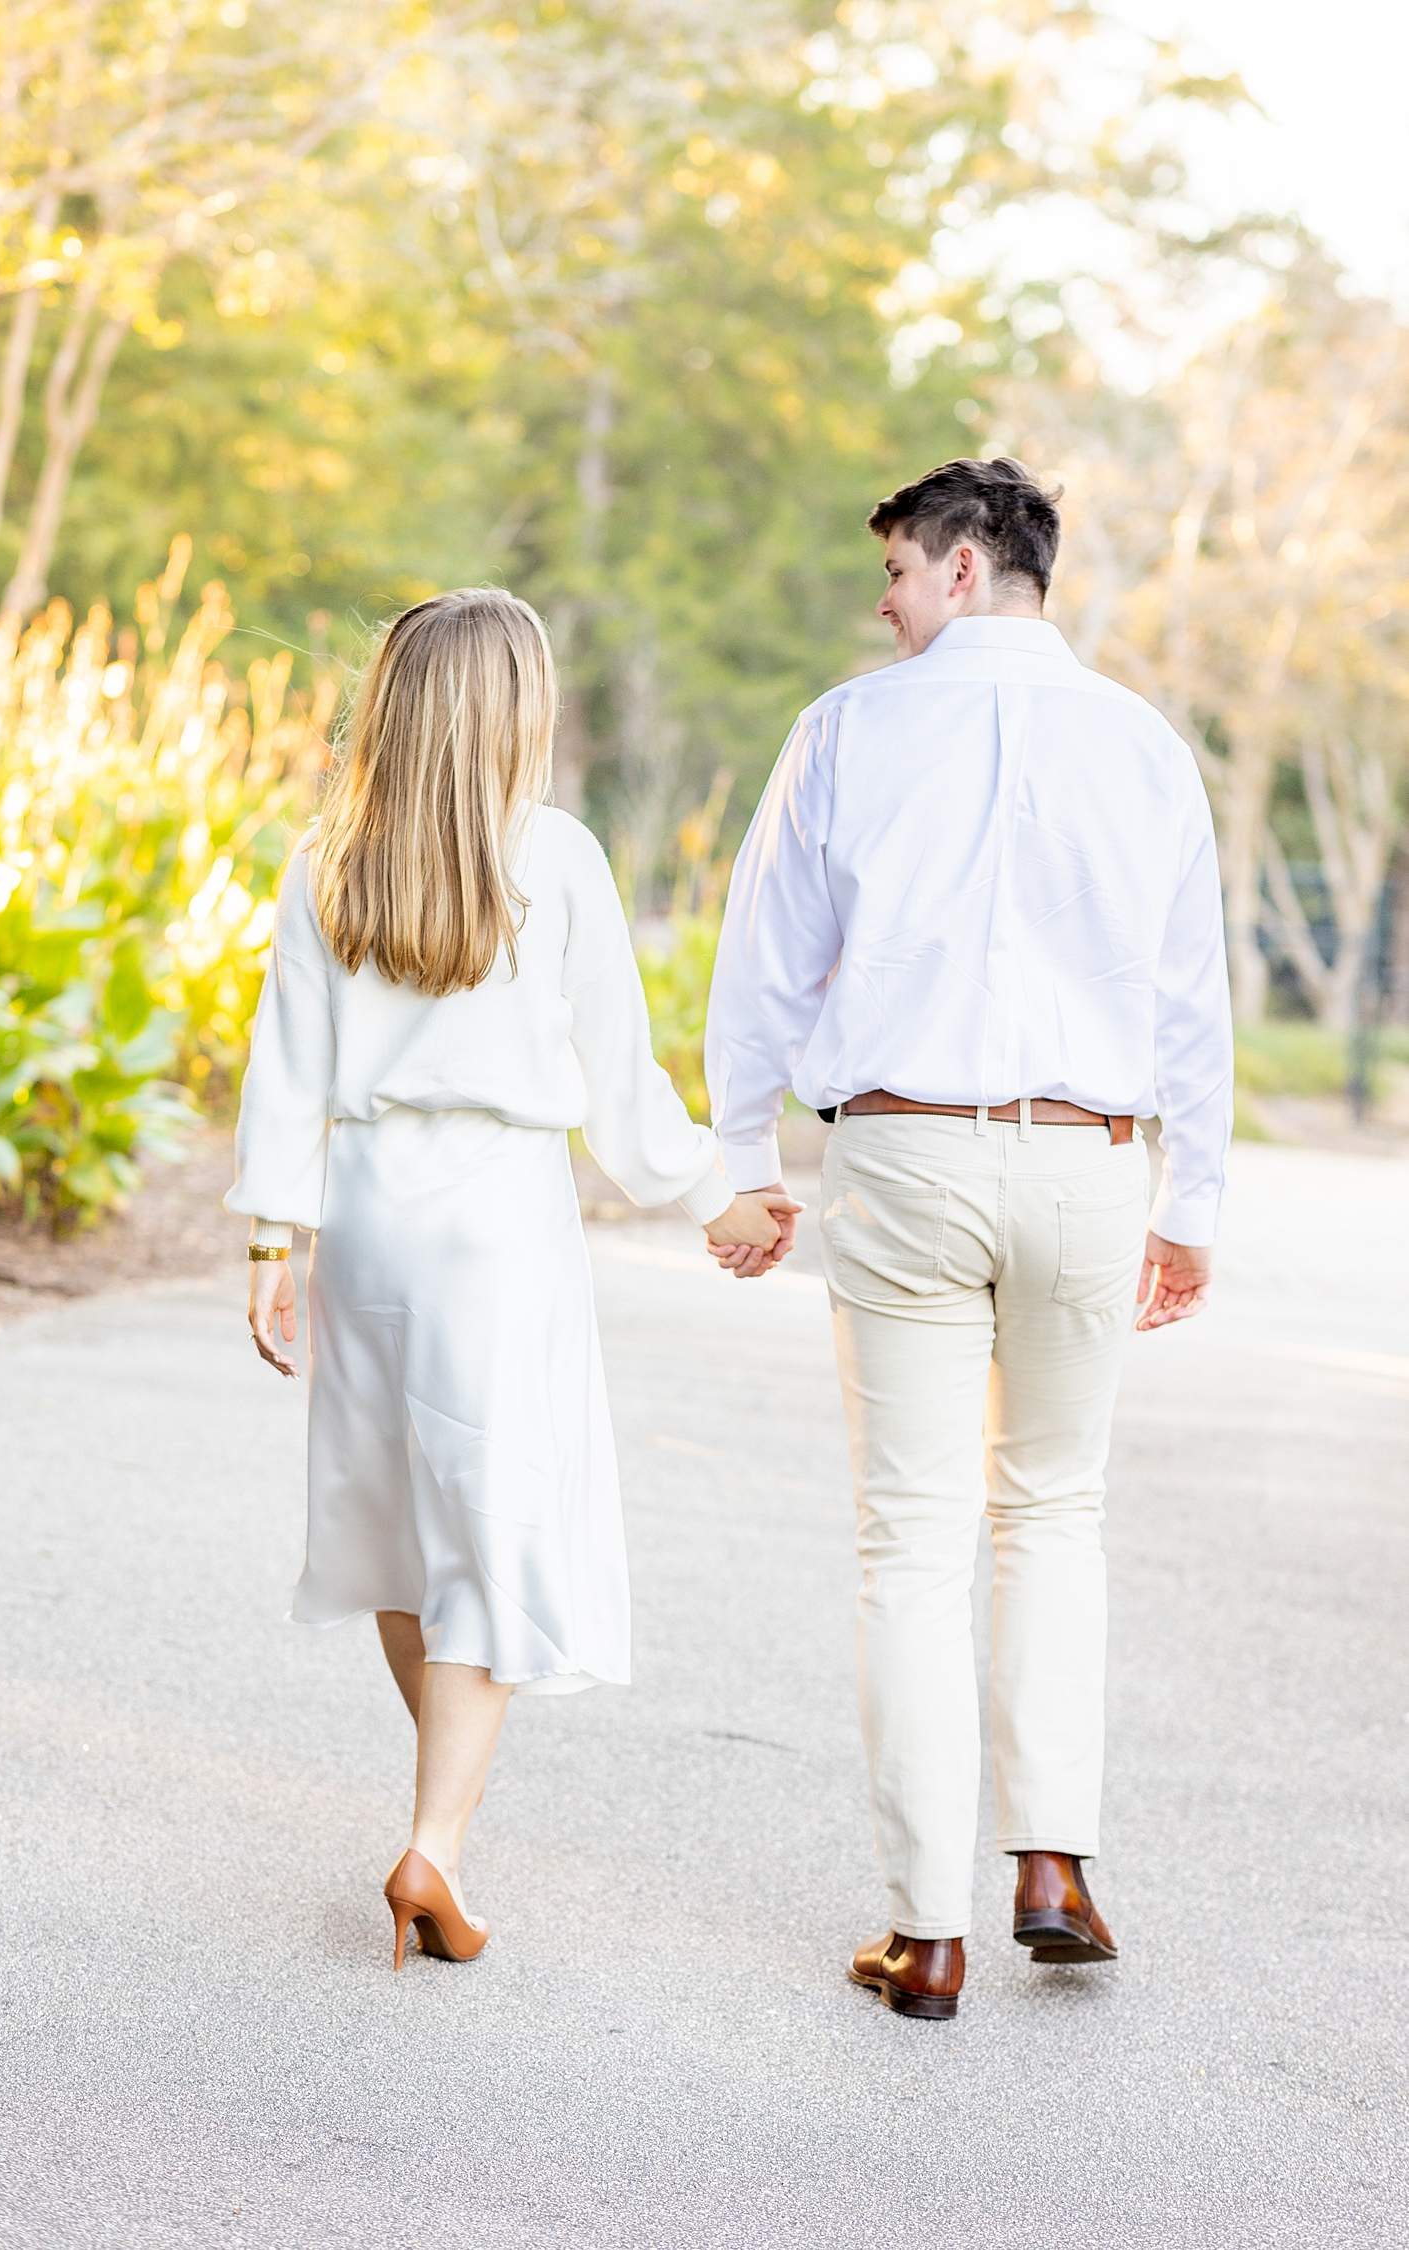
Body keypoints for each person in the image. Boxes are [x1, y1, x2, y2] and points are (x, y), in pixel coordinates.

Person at [702, 457, 1232, 2020]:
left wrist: (748, 1157)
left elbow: (766, 962)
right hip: (1090, 1164)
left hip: (908, 1155)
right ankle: (1054, 1864)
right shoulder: (1146, 748)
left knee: (913, 1541)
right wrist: (1190, 1205)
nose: (882, 602)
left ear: (959, 560)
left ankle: (926, 1932)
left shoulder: (848, 732)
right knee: (1055, 1512)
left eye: (893, 571)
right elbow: (1188, 993)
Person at [226, 588, 794, 1970]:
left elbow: (285, 1065)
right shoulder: (557, 858)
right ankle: (435, 1847)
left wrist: (269, 1240)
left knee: (400, 1530)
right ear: (513, 711)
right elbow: (616, 1079)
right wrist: (718, 1195)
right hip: (498, 1222)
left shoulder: (327, 862)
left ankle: (435, 1828)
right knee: (492, 1529)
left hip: (366, 1219)